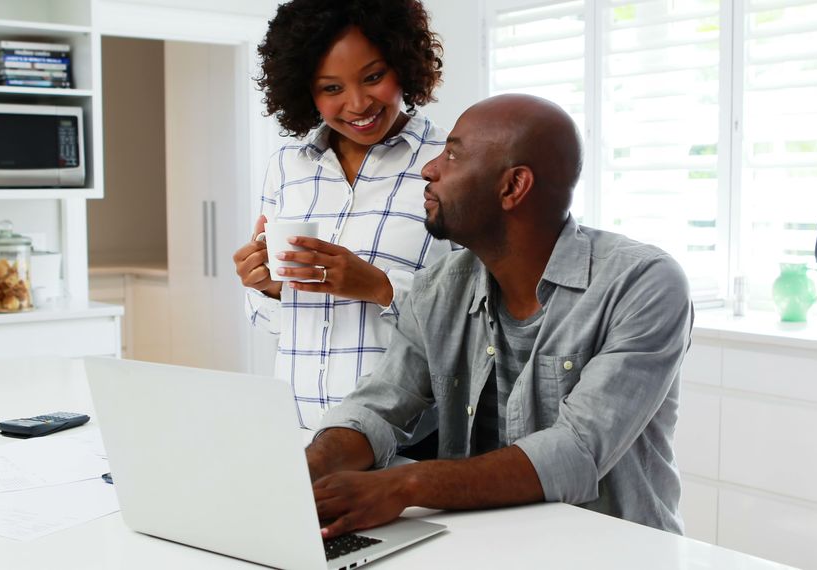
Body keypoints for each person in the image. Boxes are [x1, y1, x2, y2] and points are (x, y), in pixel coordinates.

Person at [305, 94, 694, 538]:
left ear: (513, 187)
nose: (429, 169)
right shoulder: (437, 289)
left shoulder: (643, 283)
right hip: (485, 547)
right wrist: (307, 468)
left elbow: (575, 451)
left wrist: (404, 485)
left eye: (452, 154)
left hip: (611, 552)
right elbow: (378, 407)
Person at [231, 0, 454, 430]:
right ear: (304, 90)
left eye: (373, 77)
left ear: (404, 64)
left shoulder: (449, 162)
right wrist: (267, 289)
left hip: (408, 443)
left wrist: (378, 287)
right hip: (299, 431)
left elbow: (482, 320)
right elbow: (272, 324)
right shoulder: (287, 166)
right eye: (331, 88)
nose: (357, 104)